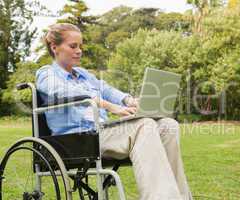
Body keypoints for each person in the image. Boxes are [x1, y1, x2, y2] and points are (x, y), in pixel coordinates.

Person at [36, 23, 193, 200]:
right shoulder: (46, 74)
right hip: (77, 139)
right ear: (54, 47)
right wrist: (108, 106)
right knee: (144, 124)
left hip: (100, 133)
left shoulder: (83, 74)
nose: (79, 50)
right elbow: (64, 92)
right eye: (73, 46)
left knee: (168, 125)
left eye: (80, 46)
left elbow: (107, 89)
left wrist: (129, 100)